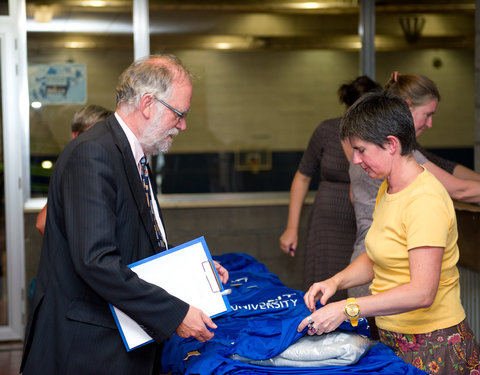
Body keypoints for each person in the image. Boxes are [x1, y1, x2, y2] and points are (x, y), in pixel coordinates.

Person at [20, 54, 229, 375]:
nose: (183, 125)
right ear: (148, 104)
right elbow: (96, 261)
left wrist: (191, 272)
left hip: (117, 334)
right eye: (179, 114)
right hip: (88, 344)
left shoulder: (131, 153)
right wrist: (174, 314)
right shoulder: (94, 153)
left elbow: (135, 241)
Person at [297, 91, 479, 375]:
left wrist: (348, 307)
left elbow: (422, 293)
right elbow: (377, 256)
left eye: (361, 150)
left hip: (432, 345)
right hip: (394, 336)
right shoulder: (388, 187)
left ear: (391, 144)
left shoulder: (425, 200)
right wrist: (335, 280)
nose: (356, 161)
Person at [348, 72, 480, 299]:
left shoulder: (381, 152)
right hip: (384, 266)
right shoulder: (399, 156)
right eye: (427, 114)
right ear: (407, 108)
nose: (430, 123)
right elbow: (458, 189)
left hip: (369, 255)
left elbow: (445, 167)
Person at [279, 76, 381, 298]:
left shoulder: (380, 137)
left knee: (361, 285)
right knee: (324, 286)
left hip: (364, 223)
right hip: (327, 225)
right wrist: (291, 227)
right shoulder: (326, 131)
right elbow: (303, 177)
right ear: (348, 108)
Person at [35, 104, 113, 236]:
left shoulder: (103, 165)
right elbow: (42, 223)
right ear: (76, 136)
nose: (102, 141)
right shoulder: (77, 167)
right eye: (94, 135)